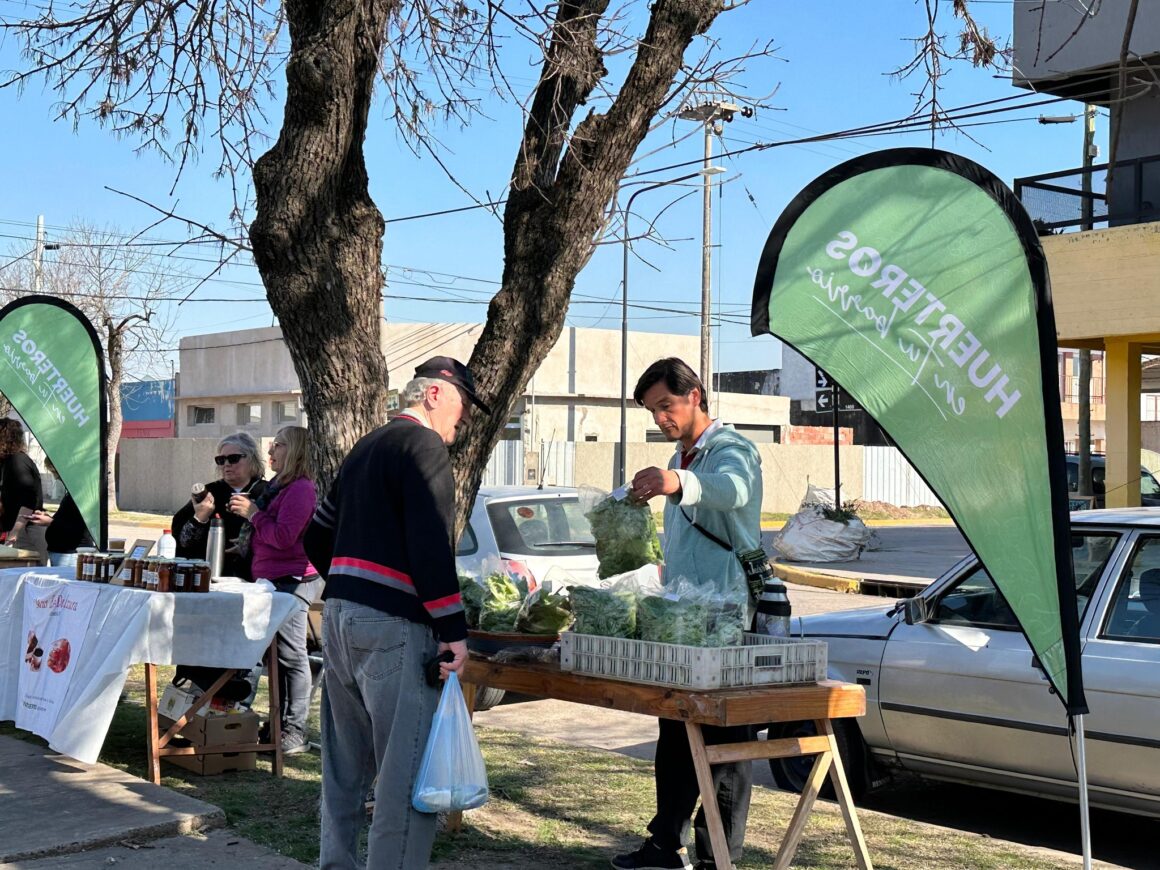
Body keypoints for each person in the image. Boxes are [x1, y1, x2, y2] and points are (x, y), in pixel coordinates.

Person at [304, 356, 490, 870]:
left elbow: (315, 535)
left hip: (339, 616)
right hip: (393, 627)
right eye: (463, 404)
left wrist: (351, 579)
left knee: (343, 769)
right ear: (434, 394)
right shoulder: (423, 446)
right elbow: (430, 545)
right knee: (403, 776)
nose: (464, 419)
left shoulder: (365, 447)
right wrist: (452, 629)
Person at [613, 358, 763, 870]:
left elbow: (735, 490)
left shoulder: (732, 448)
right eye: (653, 411)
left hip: (726, 617)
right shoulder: (682, 456)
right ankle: (663, 844)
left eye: (666, 406)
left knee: (725, 740)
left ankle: (718, 857)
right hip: (680, 618)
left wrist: (676, 481)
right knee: (675, 730)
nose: (661, 419)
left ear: (695, 395)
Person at [227, 425, 322, 756]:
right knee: (278, 656)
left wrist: (254, 515)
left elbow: (283, 537)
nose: (270, 451)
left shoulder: (301, 489)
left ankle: (295, 730)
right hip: (273, 580)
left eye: (278, 445)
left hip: (293, 580)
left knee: (292, 656)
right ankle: (278, 727)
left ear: (294, 450)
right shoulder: (279, 486)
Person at [171, 432, 268, 579]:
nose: (227, 464)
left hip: (257, 579)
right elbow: (183, 543)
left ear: (251, 459)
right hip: (210, 577)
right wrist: (199, 518)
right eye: (221, 460)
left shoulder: (268, 493)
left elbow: (281, 534)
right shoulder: (209, 493)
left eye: (233, 458)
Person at [29, 457, 94, 566]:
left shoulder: (81, 493)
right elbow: (68, 519)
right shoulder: (73, 491)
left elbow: (78, 526)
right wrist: (48, 517)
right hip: (63, 552)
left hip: (70, 553)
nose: (56, 477)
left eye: (55, 472)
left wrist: (50, 521)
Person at [0, 419, 46, 564]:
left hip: (26, 531)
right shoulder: (9, 462)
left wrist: (14, 532)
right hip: (18, 529)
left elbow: (28, 499)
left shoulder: (17, 461)